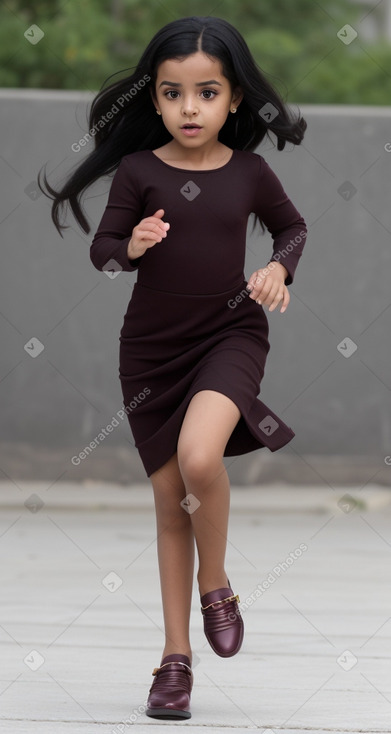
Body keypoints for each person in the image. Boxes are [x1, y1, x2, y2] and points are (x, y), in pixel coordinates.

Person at [38, 15, 308, 720]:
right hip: (152, 352)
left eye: (207, 92)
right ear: (153, 100)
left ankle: (215, 584)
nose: (190, 108)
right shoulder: (139, 170)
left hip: (229, 335)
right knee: (168, 508)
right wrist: (131, 241)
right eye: (172, 93)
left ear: (235, 99)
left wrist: (279, 267)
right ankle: (173, 662)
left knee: (198, 459)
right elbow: (102, 253)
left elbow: (293, 226)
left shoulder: (250, 172)